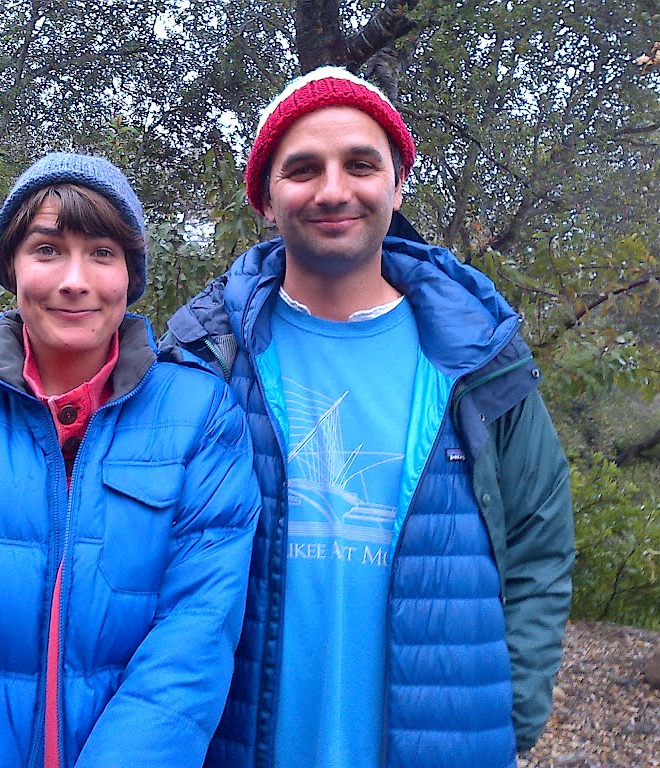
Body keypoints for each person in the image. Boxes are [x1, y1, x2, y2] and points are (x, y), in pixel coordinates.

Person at [162, 67, 575, 768]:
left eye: (360, 164)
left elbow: (540, 541)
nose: (332, 190)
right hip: (235, 743)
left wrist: (514, 707)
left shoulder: (479, 357)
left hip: (441, 741)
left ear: (397, 184)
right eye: (302, 169)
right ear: (265, 197)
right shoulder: (206, 357)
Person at [0, 152, 261, 768]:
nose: (75, 279)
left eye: (101, 253)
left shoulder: (201, 415)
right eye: (47, 250)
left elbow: (197, 630)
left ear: (129, 274)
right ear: (12, 266)